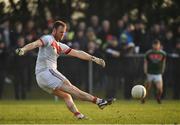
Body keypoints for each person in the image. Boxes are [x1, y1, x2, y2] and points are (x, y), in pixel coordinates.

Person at [15, 20, 115, 119]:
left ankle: (78, 115)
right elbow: (35, 44)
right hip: (47, 72)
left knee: (67, 95)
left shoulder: (59, 45)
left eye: (64, 32)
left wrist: (94, 59)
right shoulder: (48, 38)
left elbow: (77, 53)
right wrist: (23, 49)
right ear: (54, 30)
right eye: (61, 32)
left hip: (41, 78)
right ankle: (99, 101)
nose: (63, 34)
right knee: (72, 89)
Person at [141, 39, 166, 104]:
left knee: (160, 89)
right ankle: (143, 99)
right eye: (155, 45)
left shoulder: (163, 53)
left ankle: (158, 98)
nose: (156, 46)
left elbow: (163, 62)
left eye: (157, 44)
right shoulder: (148, 53)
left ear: (159, 45)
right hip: (150, 73)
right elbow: (145, 62)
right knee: (147, 88)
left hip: (158, 73)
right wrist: (145, 70)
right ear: (152, 45)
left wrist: (162, 70)